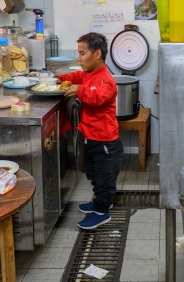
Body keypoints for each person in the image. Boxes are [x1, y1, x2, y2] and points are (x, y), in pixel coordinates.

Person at [56, 32, 123, 230]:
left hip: (106, 143)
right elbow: (76, 76)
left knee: (105, 179)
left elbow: (98, 97)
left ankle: (102, 211)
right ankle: (98, 201)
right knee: (93, 174)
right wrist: (58, 77)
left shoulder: (106, 80)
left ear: (97, 54)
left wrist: (80, 90)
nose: (79, 58)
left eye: (82, 53)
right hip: (91, 139)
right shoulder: (88, 74)